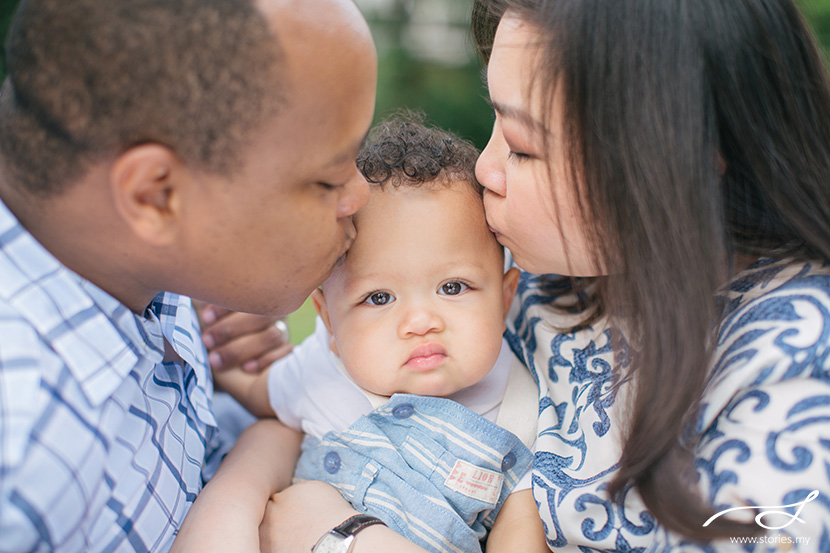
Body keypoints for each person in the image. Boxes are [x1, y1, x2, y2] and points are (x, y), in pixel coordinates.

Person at [259, 0, 830, 551]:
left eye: (524, 148)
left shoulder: (797, 373)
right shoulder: (545, 283)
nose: (485, 169)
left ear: (686, 153)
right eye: (494, 122)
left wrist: (343, 538)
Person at [0, 0, 376, 551]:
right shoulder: (26, 453)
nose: (360, 195)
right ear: (155, 196)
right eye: (326, 180)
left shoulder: (127, 264)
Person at [178, 114, 548, 553]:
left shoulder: (524, 416)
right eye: (378, 298)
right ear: (329, 319)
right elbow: (258, 389)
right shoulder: (323, 371)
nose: (420, 321)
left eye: (453, 287)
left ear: (506, 299)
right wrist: (206, 348)